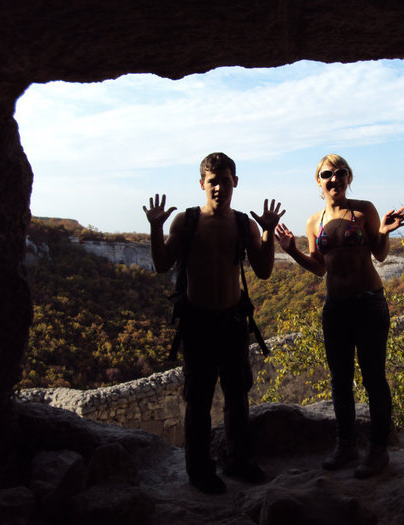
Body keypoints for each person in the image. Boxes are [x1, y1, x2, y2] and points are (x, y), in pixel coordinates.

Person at [143, 152, 285, 494]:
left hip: (233, 319)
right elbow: (163, 264)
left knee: (238, 396)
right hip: (198, 321)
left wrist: (267, 233)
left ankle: (238, 461)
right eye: (212, 181)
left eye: (224, 180)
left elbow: (264, 271)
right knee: (200, 398)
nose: (219, 187)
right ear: (202, 184)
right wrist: (156, 227)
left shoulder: (242, 224)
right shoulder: (187, 222)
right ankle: (199, 470)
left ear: (235, 182)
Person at [274, 154, 404, 479]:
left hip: (368, 302)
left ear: (348, 178)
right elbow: (319, 267)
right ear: (318, 181)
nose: (334, 179)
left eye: (340, 173)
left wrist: (386, 231)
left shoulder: (364, 210)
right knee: (339, 380)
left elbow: (379, 254)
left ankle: (378, 451)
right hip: (335, 307)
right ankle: (345, 445)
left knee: (374, 377)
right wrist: (292, 251)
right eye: (327, 174)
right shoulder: (314, 222)